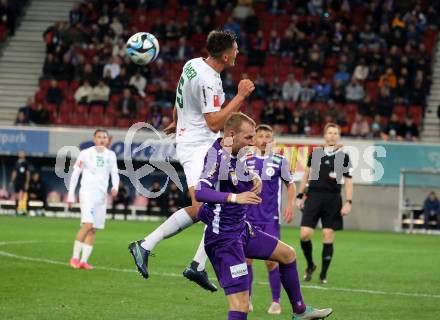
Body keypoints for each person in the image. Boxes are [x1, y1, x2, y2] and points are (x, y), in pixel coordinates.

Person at [128, 30, 255, 292]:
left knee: (221, 208)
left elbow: (179, 98)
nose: (238, 52)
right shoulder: (211, 81)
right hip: (199, 146)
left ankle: (197, 265)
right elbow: (213, 123)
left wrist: (178, 120)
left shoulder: (193, 64)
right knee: (205, 207)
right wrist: (241, 96)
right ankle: (146, 245)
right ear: (225, 54)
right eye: (236, 48)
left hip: (192, 142)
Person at [196, 112, 332, 320]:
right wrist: (236, 197)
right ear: (231, 134)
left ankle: (300, 310)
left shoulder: (238, 154)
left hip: (242, 230)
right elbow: (201, 192)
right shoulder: (217, 155)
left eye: (254, 137)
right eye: (249, 137)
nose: (253, 142)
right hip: (224, 240)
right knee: (241, 305)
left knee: (288, 255)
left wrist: (253, 177)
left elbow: (237, 178)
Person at [245, 124, 296, 315]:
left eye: (268, 136)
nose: (264, 140)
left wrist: (289, 205)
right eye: (261, 136)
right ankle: (247, 299)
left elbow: (290, 185)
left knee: (272, 261)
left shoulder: (280, 161)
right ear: (254, 139)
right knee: (246, 260)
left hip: (269, 219)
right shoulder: (245, 160)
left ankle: (276, 302)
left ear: (272, 140)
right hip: (247, 217)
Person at [296, 123, 353, 284]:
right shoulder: (315, 154)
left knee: (327, 235)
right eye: (330, 132)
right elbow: (306, 175)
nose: (333, 135)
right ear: (325, 135)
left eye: (336, 133)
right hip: (313, 197)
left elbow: (348, 181)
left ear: (339, 136)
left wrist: (348, 202)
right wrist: (300, 195)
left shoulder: (343, 157)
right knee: (304, 234)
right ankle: (310, 265)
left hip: (333, 199)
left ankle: (323, 274)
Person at [68, 129, 119, 270]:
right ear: (94, 139)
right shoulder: (85, 153)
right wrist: (71, 194)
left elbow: (114, 173)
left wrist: (115, 187)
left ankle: (84, 261)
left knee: (93, 230)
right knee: (87, 224)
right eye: (99, 137)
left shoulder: (111, 155)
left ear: (108, 140)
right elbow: (75, 174)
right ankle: (74, 258)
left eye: (104, 137)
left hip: (101, 197)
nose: (102, 139)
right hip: (87, 193)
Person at [10, 150, 31, 215]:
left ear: (24, 154)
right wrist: (12, 180)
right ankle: (16, 210)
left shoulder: (26, 163)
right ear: (18, 154)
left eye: (22, 153)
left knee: (25, 195)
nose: (21, 154)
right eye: (20, 153)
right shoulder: (16, 162)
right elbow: (14, 172)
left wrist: (27, 182)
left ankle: (26, 210)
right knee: (16, 195)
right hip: (17, 182)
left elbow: (28, 173)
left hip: (23, 181)